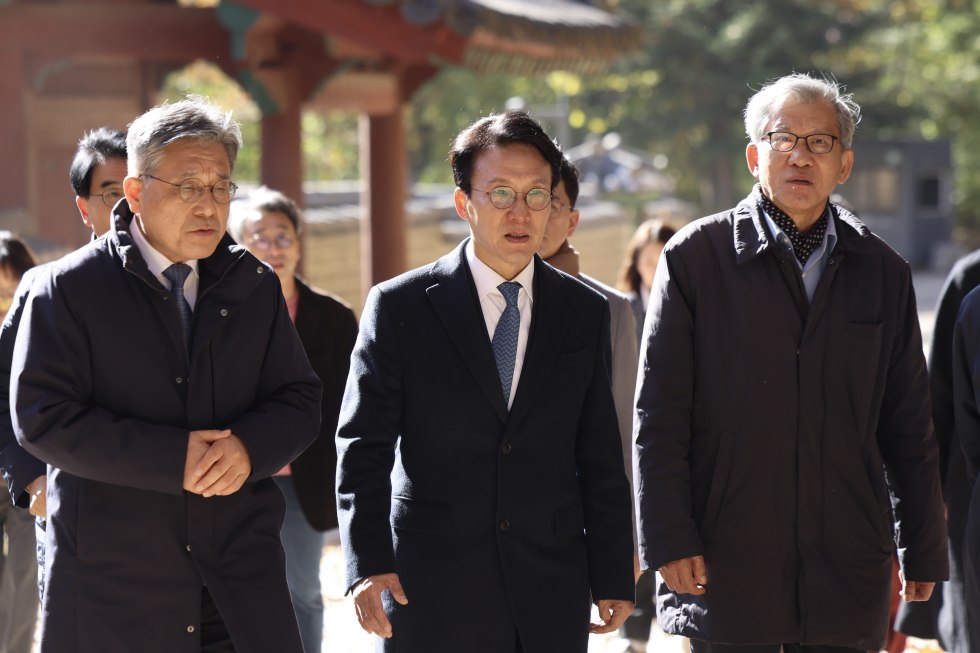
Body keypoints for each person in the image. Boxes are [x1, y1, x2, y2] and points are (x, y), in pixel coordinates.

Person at [634, 73, 948, 653]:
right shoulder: (696, 259)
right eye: (783, 139)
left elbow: (908, 425)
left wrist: (922, 545)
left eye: (819, 142)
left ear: (844, 164)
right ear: (755, 156)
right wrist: (668, 536)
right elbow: (659, 414)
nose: (800, 155)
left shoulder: (883, 272)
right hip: (725, 554)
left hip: (847, 558)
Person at [9, 97, 322, 653]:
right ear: (134, 192)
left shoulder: (254, 284)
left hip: (237, 574)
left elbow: (299, 397)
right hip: (116, 581)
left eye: (220, 186)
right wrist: (174, 458)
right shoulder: (67, 288)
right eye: (186, 186)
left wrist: (250, 448)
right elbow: (43, 417)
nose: (208, 205)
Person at [336, 109, 635, 652]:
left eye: (537, 195)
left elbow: (599, 454)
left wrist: (613, 570)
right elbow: (363, 446)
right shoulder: (400, 306)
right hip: (429, 584)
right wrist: (366, 563)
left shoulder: (584, 311)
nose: (520, 212)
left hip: (550, 583)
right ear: (464, 204)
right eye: (500, 193)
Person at [0, 127, 127, 626]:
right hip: (69, 505)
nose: (127, 205)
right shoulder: (44, 287)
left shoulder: (189, 285)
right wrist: (28, 479)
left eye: (137, 188)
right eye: (111, 193)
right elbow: (4, 386)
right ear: (84, 207)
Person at [229, 187, 358, 653]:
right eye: (259, 237)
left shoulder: (334, 316)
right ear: (238, 244)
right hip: (236, 474)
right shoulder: (220, 313)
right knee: (237, 589)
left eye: (282, 236)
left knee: (302, 588)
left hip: (306, 476)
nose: (273, 247)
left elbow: (352, 401)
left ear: (299, 244)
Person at [536, 161, 644, 650]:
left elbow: (621, 437)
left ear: (572, 220)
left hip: (564, 531)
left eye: (548, 202)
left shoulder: (609, 309)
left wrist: (622, 549)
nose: (531, 213)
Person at [0, 233, 37, 653]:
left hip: (27, 475)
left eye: (13, 291)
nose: (6, 303)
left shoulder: (43, 331)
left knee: (25, 578)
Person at [616, 219, 676, 347]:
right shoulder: (624, 310)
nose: (657, 271)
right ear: (637, 264)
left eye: (663, 263)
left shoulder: (694, 304)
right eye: (649, 263)